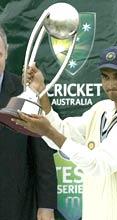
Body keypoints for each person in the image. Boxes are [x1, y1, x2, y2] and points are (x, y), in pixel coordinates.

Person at [15, 45, 117, 220]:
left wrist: (48, 131)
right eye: (105, 77)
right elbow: (61, 132)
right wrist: (41, 91)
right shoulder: (102, 110)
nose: (111, 84)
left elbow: (99, 165)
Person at [0, 26, 57, 220]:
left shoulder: (24, 92)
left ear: (6, 53)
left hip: (15, 204)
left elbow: (42, 152)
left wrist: (46, 205)